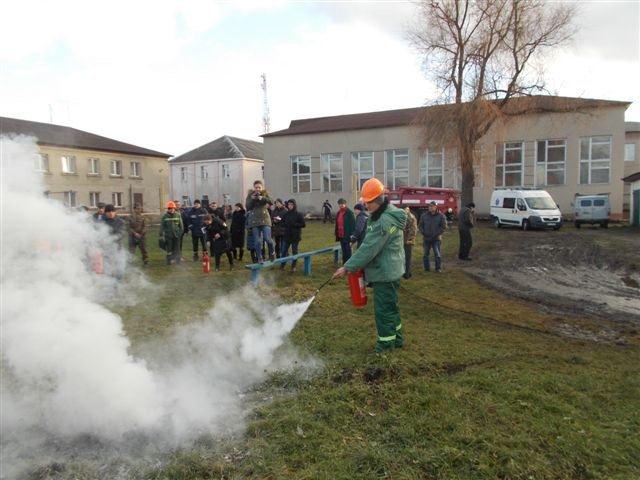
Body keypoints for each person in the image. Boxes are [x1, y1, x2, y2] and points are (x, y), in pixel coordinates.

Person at [333, 178, 406, 353]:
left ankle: (386, 344)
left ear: (378, 200)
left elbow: (369, 248)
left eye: (368, 202)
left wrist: (347, 267)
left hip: (385, 273)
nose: (366, 206)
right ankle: (397, 338)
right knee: (391, 306)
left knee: (383, 310)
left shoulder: (383, 222)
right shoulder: (387, 213)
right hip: (391, 269)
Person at [245, 180, 275, 263]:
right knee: (257, 241)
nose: (257, 189)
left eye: (259, 187)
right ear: (254, 188)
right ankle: (259, 257)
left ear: (262, 188)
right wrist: (253, 199)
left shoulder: (265, 194)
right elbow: (247, 206)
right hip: (254, 221)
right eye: (256, 187)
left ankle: (272, 252)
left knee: (267, 238)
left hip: (265, 219)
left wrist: (263, 198)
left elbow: (272, 202)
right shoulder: (250, 195)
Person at [418, 201, 447, 272]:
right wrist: (423, 233)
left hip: (436, 239)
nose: (430, 207)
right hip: (426, 238)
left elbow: (443, 227)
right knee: (425, 254)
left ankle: (438, 268)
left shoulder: (441, 216)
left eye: (432, 206)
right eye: (429, 206)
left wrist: (436, 234)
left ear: (436, 207)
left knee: (437, 254)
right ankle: (427, 269)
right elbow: (420, 225)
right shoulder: (424, 215)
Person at [280, 199, 306, 272]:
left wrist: (295, 224)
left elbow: (303, 224)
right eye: (289, 204)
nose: (290, 206)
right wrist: (284, 224)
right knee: (284, 251)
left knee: (294, 252)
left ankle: (293, 266)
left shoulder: (298, 214)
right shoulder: (286, 214)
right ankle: (282, 266)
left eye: (291, 204)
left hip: (295, 236)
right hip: (287, 236)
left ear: (294, 205)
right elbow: (282, 223)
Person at [103, 204, 126, 278]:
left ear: (115, 212)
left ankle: (117, 283)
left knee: (119, 270)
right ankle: (110, 284)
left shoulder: (120, 222)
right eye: (108, 211)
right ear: (105, 213)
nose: (111, 213)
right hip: (106, 249)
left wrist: (110, 239)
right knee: (108, 269)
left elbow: (121, 234)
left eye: (112, 211)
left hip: (117, 248)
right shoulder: (102, 222)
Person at [160, 201, 184, 265]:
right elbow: (162, 227)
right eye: (170, 208)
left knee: (177, 248)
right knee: (169, 249)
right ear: (168, 209)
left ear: (174, 208)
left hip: (176, 235)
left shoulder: (178, 215)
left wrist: (179, 234)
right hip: (168, 236)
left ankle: (178, 260)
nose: (171, 210)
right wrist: (161, 235)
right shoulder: (165, 216)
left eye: (172, 208)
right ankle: (169, 261)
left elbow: (181, 227)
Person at [335, 198, 355, 263]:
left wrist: (352, 235)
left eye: (342, 204)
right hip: (341, 235)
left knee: (348, 250)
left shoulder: (349, 213)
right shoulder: (338, 213)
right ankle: (344, 263)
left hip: (347, 235)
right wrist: (336, 232)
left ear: (345, 204)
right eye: (340, 204)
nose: (341, 205)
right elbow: (337, 223)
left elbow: (353, 225)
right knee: (343, 250)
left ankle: (348, 264)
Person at [402, 207, 417, 279]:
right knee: (402, 258)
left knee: (407, 258)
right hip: (402, 241)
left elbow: (413, 230)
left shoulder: (411, 218)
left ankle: (407, 274)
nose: (405, 211)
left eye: (407, 209)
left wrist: (409, 240)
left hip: (408, 242)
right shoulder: (402, 216)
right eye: (404, 210)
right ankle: (404, 272)